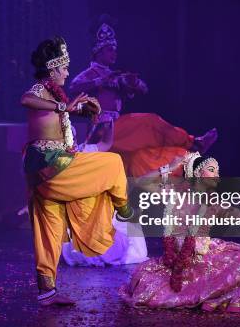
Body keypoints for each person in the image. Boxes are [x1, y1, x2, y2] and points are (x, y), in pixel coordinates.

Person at [21, 36, 133, 306]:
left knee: (50, 227)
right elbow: (25, 99)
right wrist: (64, 107)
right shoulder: (40, 90)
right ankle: (123, 206)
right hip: (50, 163)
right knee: (113, 163)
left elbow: (62, 116)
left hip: (47, 169)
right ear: (52, 69)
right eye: (64, 68)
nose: (68, 73)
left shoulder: (57, 96)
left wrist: (86, 111)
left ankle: (47, 291)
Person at [121, 153, 240, 312]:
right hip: (176, 261)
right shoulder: (173, 194)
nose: (217, 174)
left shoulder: (213, 202)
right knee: (143, 279)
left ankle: (222, 296)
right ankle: (213, 295)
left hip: (206, 255)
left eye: (217, 171)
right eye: (211, 170)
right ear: (197, 173)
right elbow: (142, 182)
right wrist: (171, 166)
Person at [70, 16, 217, 178]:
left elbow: (143, 88)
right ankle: (193, 141)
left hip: (117, 129)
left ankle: (190, 155)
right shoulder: (90, 74)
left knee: (145, 158)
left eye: (115, 49)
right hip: (101, 129)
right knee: (150, 122)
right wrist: (102, 81)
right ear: (98, 51)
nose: (114, 53)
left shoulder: (116, 75)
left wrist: (133, 84)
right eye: (110, 50)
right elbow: (73, 87)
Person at [62, 117, 149, 266]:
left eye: (73, 139)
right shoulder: (58, 163)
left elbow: (106, 143)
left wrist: (109, 124)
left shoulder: (85, 151)